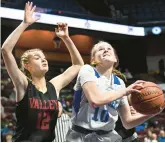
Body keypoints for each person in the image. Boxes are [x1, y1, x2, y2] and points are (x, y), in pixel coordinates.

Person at [1, 1, 84, 142]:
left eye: (44, 58)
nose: (44, 60)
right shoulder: (24, 85)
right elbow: (5, 50)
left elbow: (78, 64)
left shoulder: (54, 86)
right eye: (38, 58)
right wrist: (25, 24)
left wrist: (66, 38)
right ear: (27, 65)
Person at [66, 41, 164, 142]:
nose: (105, 50)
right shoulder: (87, 70)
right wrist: (125, 91)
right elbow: (95, 101)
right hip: (81, 136)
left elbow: (127, 122)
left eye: (109, 49)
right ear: (93, 59)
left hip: (108, 137)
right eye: (100, 49)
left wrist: (153, 112)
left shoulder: (120, 83)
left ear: (115, 59)